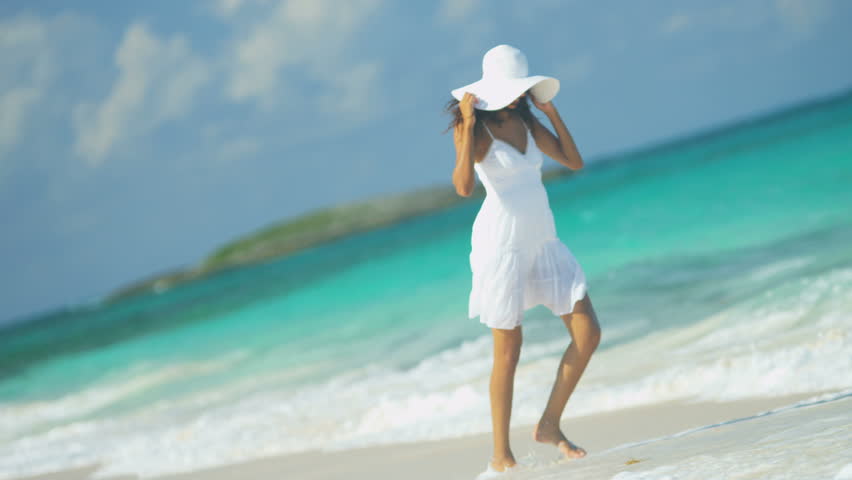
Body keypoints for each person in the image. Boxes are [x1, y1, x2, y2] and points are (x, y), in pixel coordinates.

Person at [446, 45, 602, 476]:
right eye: (511, 90)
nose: (516, 97)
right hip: (502, 244)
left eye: (521, 89)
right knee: (508, 351)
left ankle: (549, 425)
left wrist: (550, 113)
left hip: (542, 238)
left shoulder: (526, 121)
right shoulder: (474, 129)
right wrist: (467, 126)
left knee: (588, 333)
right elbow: (462, 186)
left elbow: (573, 161)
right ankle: (500, 455)